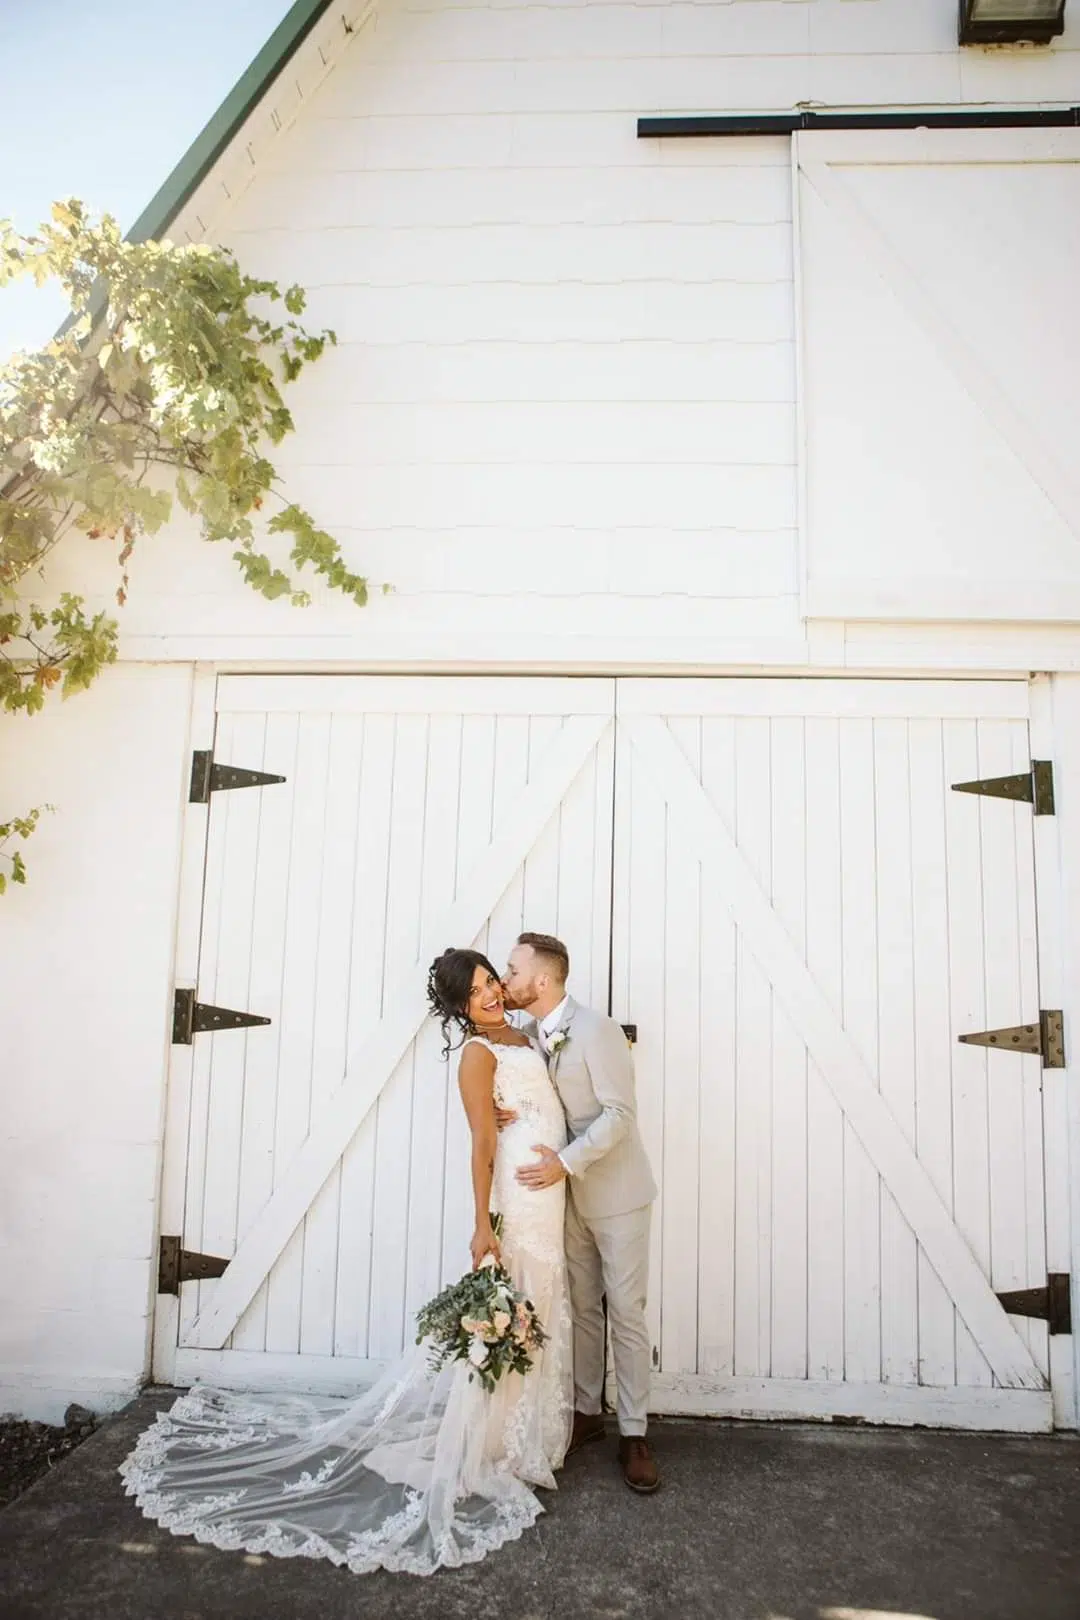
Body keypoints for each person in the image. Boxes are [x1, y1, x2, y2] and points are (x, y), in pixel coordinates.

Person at [118, 949, 573, 1576]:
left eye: (491, 980)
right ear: (458, 1006)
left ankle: (532, 1432)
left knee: (543, 1296)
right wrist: (479, 1223)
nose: (490, 994)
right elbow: (480, 1144)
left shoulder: (519, 1033)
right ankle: (498, 1442)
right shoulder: (477, 1054)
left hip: (551, 1192)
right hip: (516, 1196)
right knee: (516, 1302)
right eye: (474, 992)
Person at [502, 932, 660, 1493]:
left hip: (617, 1195)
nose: (506, 979)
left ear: (541, 980)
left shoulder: (597, 1030)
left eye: (513, 970)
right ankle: (587, 1412)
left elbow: (620, 1115)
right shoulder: (526, 1035)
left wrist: (565, 1163)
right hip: (566, 1202)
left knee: (626, 1311)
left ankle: (635, 1433)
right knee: (585, 1311)